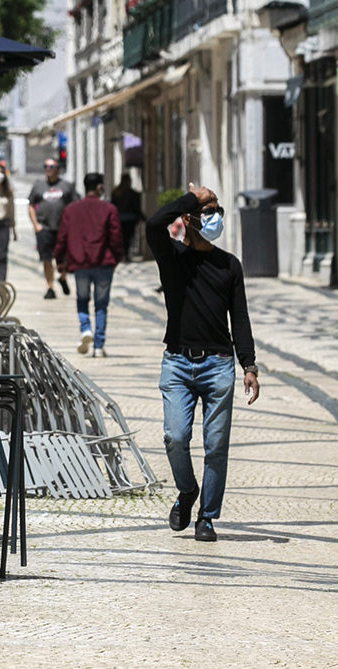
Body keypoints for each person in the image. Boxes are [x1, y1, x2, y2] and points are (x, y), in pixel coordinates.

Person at [144, 183, 259, 543]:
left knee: (216, 445)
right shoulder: (173, 257)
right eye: (208, 213)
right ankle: (187, 490)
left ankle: (207, 517)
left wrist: (249, 366)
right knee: (175, 436)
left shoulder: (229, 265)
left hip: (219, 364)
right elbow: (152, 224)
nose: (215, 218)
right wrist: (193, 199)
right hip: (177, 362)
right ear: (189, 219)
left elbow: (239, 318)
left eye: (217, 211)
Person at [56, 172, 123, 358]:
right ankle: (99, 346)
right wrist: (116, 258)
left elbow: (62, 236)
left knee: (82, 299)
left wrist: (59, 260)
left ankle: (85, 329)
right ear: (99, 187)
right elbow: (116, 238)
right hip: (104, 263)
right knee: (101, 304)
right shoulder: (109, 209)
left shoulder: (71, 209)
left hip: (80, 263)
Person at [26, 159, 79, 299]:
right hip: (44, 228)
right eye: (46, 166)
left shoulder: (66, 186)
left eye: (51, 166)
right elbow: (31, 204)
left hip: (63, 228)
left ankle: (62, 277)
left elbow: (75, 205)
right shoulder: (38, 186)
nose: (48, 169)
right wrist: (35, 224)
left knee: (63, 258)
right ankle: (50, 287)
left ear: (58, 169)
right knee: (46, 259)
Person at [111, 172, 144, 262]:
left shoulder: (116, 192)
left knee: (121, 238)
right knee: (128, 238)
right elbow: (136, 208)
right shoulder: (132, 193)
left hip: (119, 219)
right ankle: (126, 254)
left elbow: (113, 206)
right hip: (130, 219)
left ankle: (122, 254)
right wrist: (143, 217)